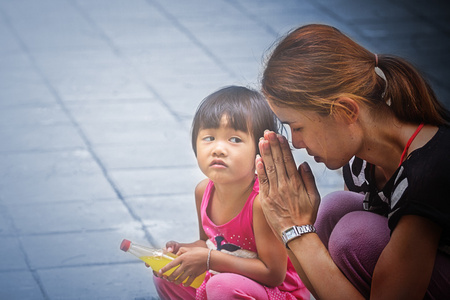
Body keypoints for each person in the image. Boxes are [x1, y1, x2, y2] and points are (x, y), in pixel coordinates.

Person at [255, 24, 450, 299]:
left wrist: (295, 230)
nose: (296, 142)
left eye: (297, 127)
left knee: (354, 235)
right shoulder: (361, 162)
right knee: (334, 210)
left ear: (346, 111)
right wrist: (287, 227)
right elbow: (326, 287)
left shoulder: (429, 172)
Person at [153, 86, 309, 300]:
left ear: (259, 149)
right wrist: (182, 251)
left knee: (222, 286)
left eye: (234, 140)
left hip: (277, 292)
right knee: (167, 274)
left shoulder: (261, 203)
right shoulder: (203, 191)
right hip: (228, 277)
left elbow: (274, 274)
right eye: (209, 138)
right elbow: (208, 242)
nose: (218, 149)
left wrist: (209, 260)